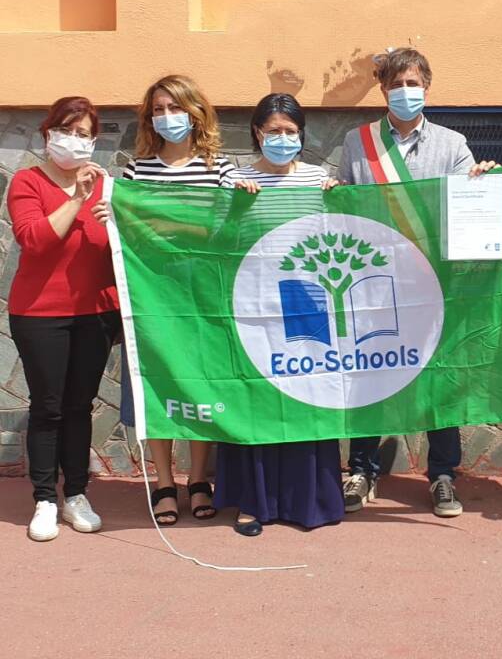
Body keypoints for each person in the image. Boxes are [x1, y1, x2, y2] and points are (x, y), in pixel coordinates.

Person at [337, 47, 493, 517]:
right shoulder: (356, 142)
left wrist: (480, 184)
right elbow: (342, 205)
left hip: (432, 284)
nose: (405, 92)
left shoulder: (452, 143)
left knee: (437, 380)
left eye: (413, 83)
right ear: (382, 88)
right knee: (370, 374)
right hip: (373, 281)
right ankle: (362, 469)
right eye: (396, 83)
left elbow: (464, 208)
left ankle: (443, 474)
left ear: (427, 86)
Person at [94, 74, 235, 525]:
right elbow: (138, 233)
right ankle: (163, 483)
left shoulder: (221, 169)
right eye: (158, 109)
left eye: (175, 107)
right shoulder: (138, 171)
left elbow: (227, 229)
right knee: (154, 382)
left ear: (196, 112)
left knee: (200, 385)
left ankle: (198, 479)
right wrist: (114, 216)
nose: (167, 117)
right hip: (153, 298)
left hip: (203, 298)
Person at [211, 93, 345, 536]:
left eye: (291, 132)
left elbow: (339, 237)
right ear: (257, 133)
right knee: (259, 399)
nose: (283, 139)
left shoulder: (317, 179)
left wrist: (341, 200)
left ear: (301, 136)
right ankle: (254, 502)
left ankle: (309, 500)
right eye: (274, 132)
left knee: (307, 394)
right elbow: (214, 240)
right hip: (253, 304)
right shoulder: (236, 179)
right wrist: (232, 204)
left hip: (308, 302)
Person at [7, 97, 120, 542]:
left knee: (79, 406)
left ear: (94, 141)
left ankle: (76, 493)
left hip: (94, 312)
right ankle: (44, 499)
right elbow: (35, 240)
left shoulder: (106, 184)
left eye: (84, 133)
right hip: (39, 313)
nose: (75, 140)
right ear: (47, 132)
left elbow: (119, 252)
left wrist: (118, 225)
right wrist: (75, 198)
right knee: (48, 407)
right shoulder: (26, 181)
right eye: (67, 130)